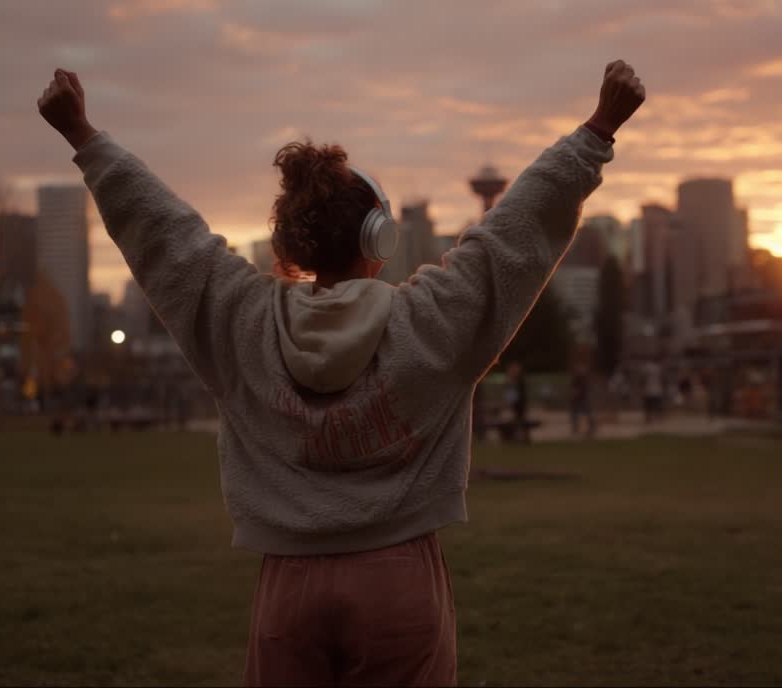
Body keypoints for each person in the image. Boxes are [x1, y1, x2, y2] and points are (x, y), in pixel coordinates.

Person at [37, 59, 644, 686]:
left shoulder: (243, 322)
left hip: (287, 588)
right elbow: (513, 235)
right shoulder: (428, 322)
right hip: (399, 581)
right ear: (378, 239)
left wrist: (84, 136)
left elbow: (166, 237)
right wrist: (599, 127)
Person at [504, 362, 530, 443]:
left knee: (520, 421)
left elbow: (519, 394)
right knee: (518, 421)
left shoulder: (519, 381)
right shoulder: (513, 380)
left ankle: (523, 438)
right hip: (516, 404)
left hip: (519, 405)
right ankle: (519, 437)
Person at [570, 362, 597, 438]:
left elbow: (582, 389)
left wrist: (575, 393)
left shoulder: (583, 379)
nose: (581, 372)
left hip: (582, 399)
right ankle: (576, 428)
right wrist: (573, 394)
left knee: (588, 413)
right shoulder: (576, 379)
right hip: (577, 400)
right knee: (575, 414)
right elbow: (573, 389)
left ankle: (591, 428)